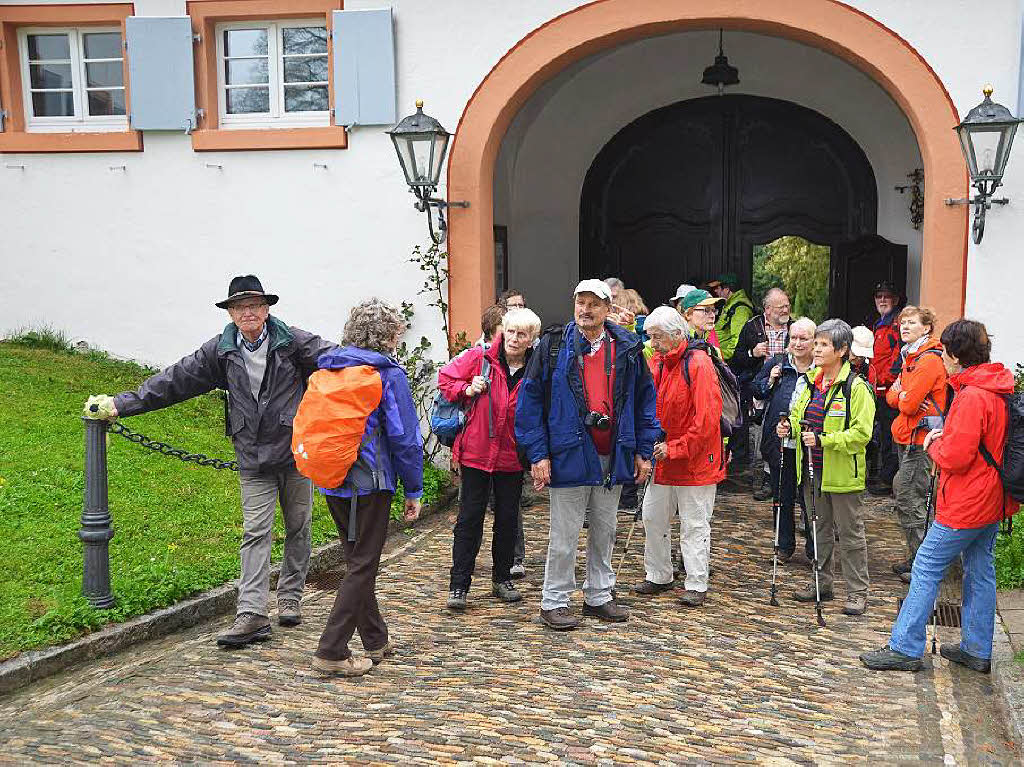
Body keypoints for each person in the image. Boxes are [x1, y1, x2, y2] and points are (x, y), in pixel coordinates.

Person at [91, 275, 336, 648]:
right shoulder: (220, 351)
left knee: (299, 526)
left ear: (267, 308)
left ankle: (290, 596)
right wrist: (122, 404)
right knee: (256, 531)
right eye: (241, 306)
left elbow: (337, 360)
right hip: (252, 456)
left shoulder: (293, 342)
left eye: (255, 304)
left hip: (293, 454)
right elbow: (175, 380)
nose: (249, 311)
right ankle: (252, 613)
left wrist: (377, 366)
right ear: (232, 313)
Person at [861, 319, 1017, 673]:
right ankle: (976, 647)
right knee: (980, 569)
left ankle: (905, 647)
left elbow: (957, 457)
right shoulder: (997, 388)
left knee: (926, 565)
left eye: (945, 350)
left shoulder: (972, 395)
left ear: (955, 355)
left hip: (967, 500)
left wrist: (934, 444)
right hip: (992, 496)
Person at [515, 279, 659, 631]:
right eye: (580, 302)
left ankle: (599, 594)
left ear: (608, 309)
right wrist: (538, 455)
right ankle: (554, 601)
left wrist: (643, 449)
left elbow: (644, 402)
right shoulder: (553, 345)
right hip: (567, 451)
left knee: (605, 530)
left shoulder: (626, 348)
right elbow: (529, 403)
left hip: (612, 452)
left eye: (594, 303)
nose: (586, 309)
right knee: (563, 536)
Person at [312, 298, 424, 677]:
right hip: (371, 482)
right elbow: (405, 438)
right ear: (387, 335)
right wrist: (414, 488)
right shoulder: (387, 374)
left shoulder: (330, 367)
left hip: (332, 478)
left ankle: (375, 639)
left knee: (357, 561)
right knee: (363, 565)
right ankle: (331, 649)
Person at [437, 307, 542, 610]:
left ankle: (502, 578)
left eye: (522, 334)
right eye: (510, 331)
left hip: (511, 455)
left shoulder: (535, 368)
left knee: (508, 519)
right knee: (469, 520)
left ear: (530, 339)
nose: (514, 338)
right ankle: (459, 585)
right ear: (502, 332)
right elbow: (445, 380)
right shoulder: (480, 358)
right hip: (476, 452)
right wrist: (466, 388)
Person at [778, 319, 875, 616]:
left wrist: (823, 440)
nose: (816, 350)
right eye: (816, 343)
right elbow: (799, 417)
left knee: (850, 534)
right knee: (817, 529)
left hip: (843, 473)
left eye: (823, 345)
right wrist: (789, 427)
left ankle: (858, 592)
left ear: (842, 350)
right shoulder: (810, 382)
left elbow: (862, 434)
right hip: (811, 469)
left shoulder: (855, 388)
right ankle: (821, 583)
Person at [634, 299, 725, 606]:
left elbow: (707, 421)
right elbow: (649, 407)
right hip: (664, 457)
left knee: (695, 523)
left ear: (674, 334)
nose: (652, 343)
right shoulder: (658, 362)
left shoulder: (698, 363)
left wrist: (675, 448)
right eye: (650, 336)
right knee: (653, 516)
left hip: (696, 462)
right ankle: (658, 574)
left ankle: (697, 582)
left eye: (657, 336)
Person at [886, 306, 948, 583]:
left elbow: (908, 403)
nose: (905, 327)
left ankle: (923, 564)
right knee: (909, 495)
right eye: (902, 323)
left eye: (911, 323)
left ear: (926, 328)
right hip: (907, 436)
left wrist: (903, 397)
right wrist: (902, 397)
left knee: (910, 499)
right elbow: (892, 394)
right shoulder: (910, 357)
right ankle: (918, 557)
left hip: (919, 442)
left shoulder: (928, 361)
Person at [751, 317, 816, 564]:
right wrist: (770, 380)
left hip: (808, 444)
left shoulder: (819, 369)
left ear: (814, 341)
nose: (798, 344)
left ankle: (814, 550)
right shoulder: (777, 363)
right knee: (781, 496)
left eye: (804, 339)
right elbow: (756, 389)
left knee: (810, 499)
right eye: (794, 338)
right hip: (779, 442)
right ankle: (783, 545)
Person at [732, 288, 793, 499]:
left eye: (787, 305)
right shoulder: (752, 327)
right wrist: (753, 353)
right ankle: (768, 478)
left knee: (786, 431)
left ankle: (787, 479)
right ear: (767, 309)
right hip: (761, 388)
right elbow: (736, 360)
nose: (785, 310)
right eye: (780, 307)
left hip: (788, 387)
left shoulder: (795, 328)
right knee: (765, 435)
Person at [867, 281, 905, 496]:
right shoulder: (879, 324)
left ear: (896, 300)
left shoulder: (897, 324)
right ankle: (881, 474)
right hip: (879, 390)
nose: (882, 300)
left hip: (889, 391)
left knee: (890, 434)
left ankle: (888, 478)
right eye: (878, 296)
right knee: (881, 434)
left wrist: (885, 380)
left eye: (887, 296)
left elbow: (898, 356)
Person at [707, 272, 754, 364]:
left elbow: (737, 340)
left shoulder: (740, 309)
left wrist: (719, 356)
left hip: (726, 361)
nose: (715, 291)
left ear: (727, 289)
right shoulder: (730, 305)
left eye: (717, 288)